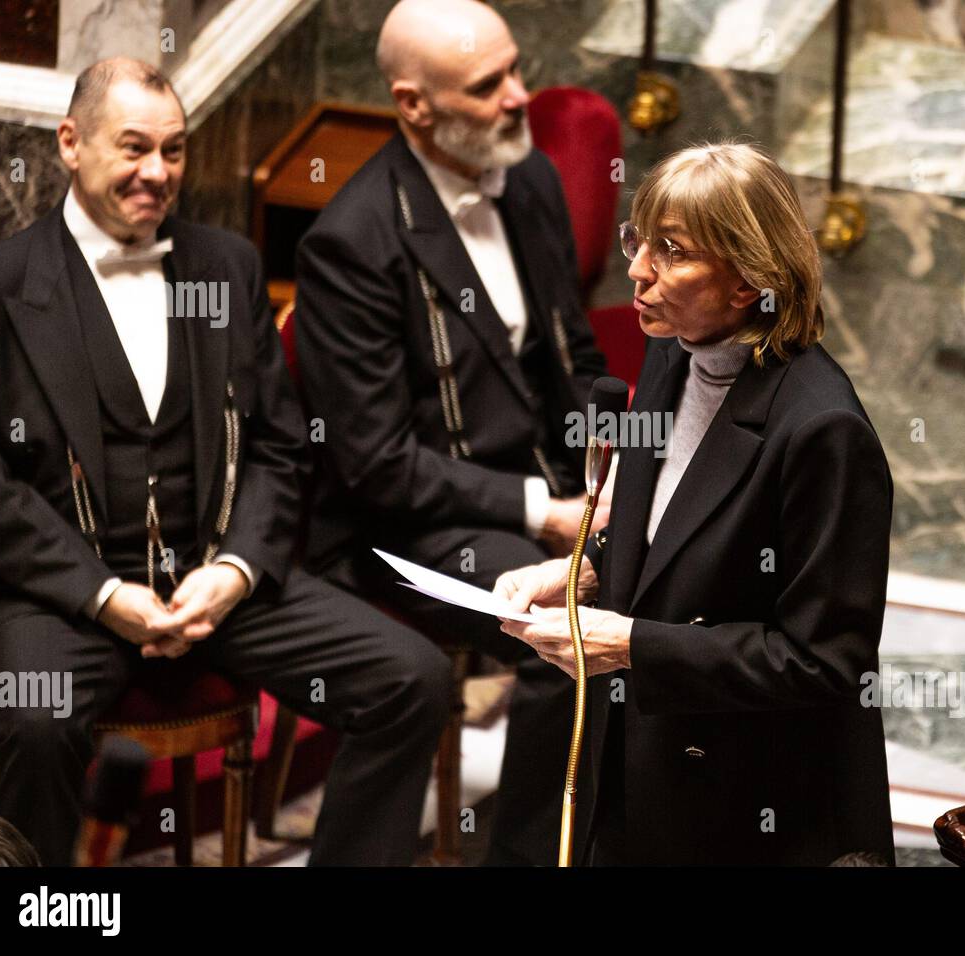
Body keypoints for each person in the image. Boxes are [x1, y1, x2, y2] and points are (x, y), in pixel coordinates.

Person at [0, 57, 451, 866]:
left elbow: (279, 444)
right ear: (69, 143)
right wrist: (101, 593)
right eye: (132, 148)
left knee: (415, 678)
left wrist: (235, 570)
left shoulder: (225, 265)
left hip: (216, 579)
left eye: (175, 150)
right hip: (57, 591)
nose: (156, 173)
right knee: (35, 718)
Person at [496, 143, 896, 866]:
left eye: (671, 251)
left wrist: (630, 646)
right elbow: (668, 538)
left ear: (749, 281)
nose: (638, 270)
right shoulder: (672, 351)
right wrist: (579, 572)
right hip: (644, 762)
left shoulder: (822, 431)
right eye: (637, 239)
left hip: (749, 805)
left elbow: (824, 662)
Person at [295, 0, 608, 865]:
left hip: (542, 487)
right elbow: (377, 466)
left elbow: (573, 354)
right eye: (488, 85)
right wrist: (549, 511)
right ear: (413, 105)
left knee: (676, 569)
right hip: (408, 529)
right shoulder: (351, 244)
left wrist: (618, 470)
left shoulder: (530, 179)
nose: (519, 96)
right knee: (572, 630)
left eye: (516, 70)